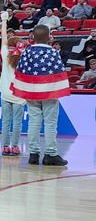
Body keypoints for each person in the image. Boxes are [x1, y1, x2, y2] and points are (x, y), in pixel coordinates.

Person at [11, 23, 70, 166]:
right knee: (50, 123)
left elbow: (20, 71)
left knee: (34, 121)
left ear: (33, 37)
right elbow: (59, 73)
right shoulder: (53, 52)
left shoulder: (27, 51)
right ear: (49, 37)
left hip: (31, 92)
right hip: (49, 92)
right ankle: (51, 153)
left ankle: (34, 154)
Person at [0, 12, 24, 157]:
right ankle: (14, 146)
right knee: (17, 123)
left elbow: (3, 37)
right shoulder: (24, 57)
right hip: (19, 93)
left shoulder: (5, 54)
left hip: (5, 93)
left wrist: (4, 21)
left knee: (6, 122)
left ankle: (4, 147)